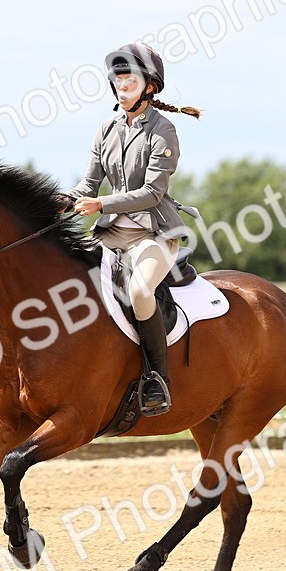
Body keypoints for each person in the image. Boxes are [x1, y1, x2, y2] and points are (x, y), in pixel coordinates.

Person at [62, 42, 201, 416]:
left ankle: (157, 378)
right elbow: (87, 187)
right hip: (111, 234)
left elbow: (153, 193)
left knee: (140, 291)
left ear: (150, 86)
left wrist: (102, 204)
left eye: (130, 78)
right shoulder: (106, 129)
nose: (122, 84)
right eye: (118, 78)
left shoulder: (164, 130)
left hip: (154, 234)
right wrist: (58, 202)